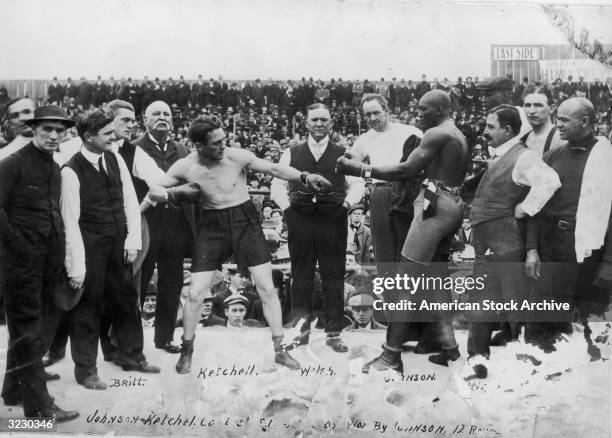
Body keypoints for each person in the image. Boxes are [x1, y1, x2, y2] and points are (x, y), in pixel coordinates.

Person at [146, 115, 332, 373]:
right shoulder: (184, 166)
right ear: (199, 146)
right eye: (216, 144)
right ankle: (187, 350)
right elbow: (153, 188)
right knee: (197, 292)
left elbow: (274, 169)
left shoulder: (237, 156)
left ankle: (280, 350)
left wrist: (304, 175)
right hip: (211, 225)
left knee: (267, 288)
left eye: (224, 140)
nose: (223, 146)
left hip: (245, 221)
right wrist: (174, 194)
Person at [337, 89, 470, 372]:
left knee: (404, 283)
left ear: (439, 109)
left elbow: (405, 171)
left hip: (435, 204)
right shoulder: (456, 133)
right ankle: (451, 350)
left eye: (423, 109)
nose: (418, 114)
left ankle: (391, 355)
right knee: (436, 280)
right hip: (449, 201)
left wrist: (360, 169)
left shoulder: (435, 133)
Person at [61, 109, 160, 391]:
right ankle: (86, 369)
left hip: (118, 243)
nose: (113, 136)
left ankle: (132, 356)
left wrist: (132, 241)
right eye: (106, 133)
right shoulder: (70, 170)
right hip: (89, 244)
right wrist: (77, 267)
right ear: (88, 137)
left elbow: (130, 200)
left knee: (127, 299)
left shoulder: (115, 157)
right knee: (87, 307)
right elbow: (70, 222)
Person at [466, 105, 560, 378]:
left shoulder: (523, 157)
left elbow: (550, 181)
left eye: (490, 126)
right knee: (480, 305)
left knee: (515, 307)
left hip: (507, 245)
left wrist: (526, 207)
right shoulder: (498, 154)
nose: (484, 131)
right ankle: (477, 364)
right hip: (487, 246)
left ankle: (523, 369)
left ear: (508, 129)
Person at [0, 105, 78, 421]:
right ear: (34, 129)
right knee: (28, 329)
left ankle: (14, 390)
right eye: (47, 129)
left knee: (28, 328)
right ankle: (39, 409)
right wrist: (19, 247)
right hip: (20, 264)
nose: (54, 135)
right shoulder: (12, 164)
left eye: (60, 130)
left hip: (46, 261)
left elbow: (52, 215)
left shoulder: (52, 165)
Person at [271, 103, 365, 353]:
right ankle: (300, 332)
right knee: (300, 276)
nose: (319, 124)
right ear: (307, 123)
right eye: (315, 120)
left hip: (332, 219)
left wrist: (345, 205)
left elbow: (358, 184)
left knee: (333, 276)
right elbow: (276, 186)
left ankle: (333, 333)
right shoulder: (291, 152)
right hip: (299, 218)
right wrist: (287, 210)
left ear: (332, 123)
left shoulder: (344, 152)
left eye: (324, 119)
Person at [525, 97, 612, 351]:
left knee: (593, 326)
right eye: (558, 119)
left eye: (564, 120)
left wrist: (609, 262)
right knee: (543, 320)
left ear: (585, 121)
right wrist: (532, 248)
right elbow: (535, 205)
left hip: (590, 250)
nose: (558, 125)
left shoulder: (606, 157)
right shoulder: (553, 155)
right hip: (552, 246)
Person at [134, 101, 197, 354]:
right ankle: (128, 341)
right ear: (145, 120)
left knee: (171, 284)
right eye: (156, 114)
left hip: (176, 228)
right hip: (146, 225)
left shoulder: (182, 149)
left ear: (172, 120)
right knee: (138, 284)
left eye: (166, 114)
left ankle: (164, 338)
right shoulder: (135, 148)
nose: (162, 118)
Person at [350, 95, 423, 277]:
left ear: (387, 111)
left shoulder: (410, 131)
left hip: (408, 192)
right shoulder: (363, 140)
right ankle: (390, 298)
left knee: (409, 246)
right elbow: (349, 168)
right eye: (367, 115)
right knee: (384, 249)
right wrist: (363, 184)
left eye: (376, 113)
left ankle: (410, 299)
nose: (372, 119)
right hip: (381, 192)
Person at [521, 85, 564, 156]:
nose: (531, 111)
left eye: (538, 105)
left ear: (551, 108)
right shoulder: (524, 138)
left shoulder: (560, 139)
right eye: (528, 105)